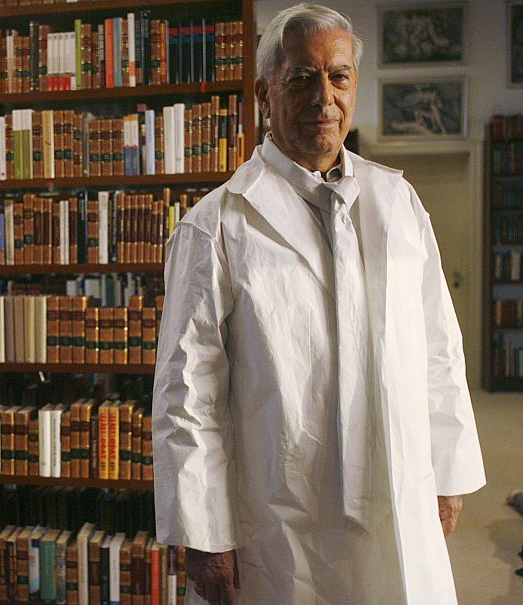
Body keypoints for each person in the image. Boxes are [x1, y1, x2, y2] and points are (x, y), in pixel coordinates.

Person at [152, 4, 486, 604]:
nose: (323, 96)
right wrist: (202, 532)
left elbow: (439, 345)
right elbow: (187, 394)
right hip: (283, 514)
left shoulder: (398, 202)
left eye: (338, 76)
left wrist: (450, 471)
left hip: (398, 484)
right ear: (264, 92)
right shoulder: (216, 227)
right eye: (301, 77)